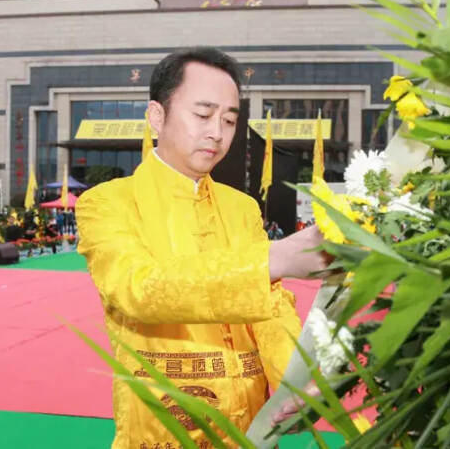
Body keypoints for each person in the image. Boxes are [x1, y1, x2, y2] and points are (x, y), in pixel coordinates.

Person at [76, 48, 330, 448]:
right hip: (163, 428)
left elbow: (271, 310)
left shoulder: (242, 207)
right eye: (202, 115)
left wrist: (293, 383)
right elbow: (137, 289)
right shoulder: (107, 202)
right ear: (156, 116)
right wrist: (274, 259)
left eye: (229, 120)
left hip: (250, 428)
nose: (217, 132)